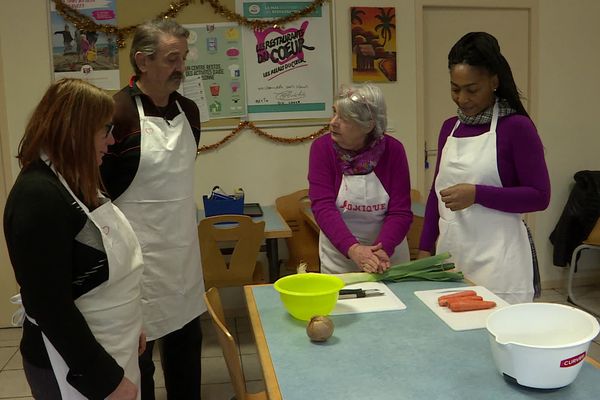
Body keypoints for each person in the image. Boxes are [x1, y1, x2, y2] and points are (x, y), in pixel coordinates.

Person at [3, 78, 144, 399]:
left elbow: (97, 268)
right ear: (75, 131)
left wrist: (132, 320)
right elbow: (49, 306)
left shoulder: (73, 180)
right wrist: (105, 379)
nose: (111, 142)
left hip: (112, 342)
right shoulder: (37, 196)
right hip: (71, 365)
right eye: (105, 130)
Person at [100, 19, 205, 400]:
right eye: (171, 58)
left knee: (186, 355)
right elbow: (99, 193)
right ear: (143, 62)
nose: (181, 67)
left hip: (181, 259)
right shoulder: (116, 112)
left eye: (183, 57)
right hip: (135, 262)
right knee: (137, 362)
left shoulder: (190, 112)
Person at [418, 32, 550, 304]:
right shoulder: (449, 128)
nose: (462, 98)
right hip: (451, 256)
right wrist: (424, 248)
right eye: (455, 88)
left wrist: (478, 194)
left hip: (499, 265)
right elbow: (435, 194)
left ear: (494, 82)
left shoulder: (516, 128)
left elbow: (539, 196)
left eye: (472, 89)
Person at [308, 83, 412, 274]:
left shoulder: (393, 151)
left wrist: (382, 250)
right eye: (334, 113)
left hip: (386, 258)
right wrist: (354, 249)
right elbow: (323, 207)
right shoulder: (322, 149)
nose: (333, 122)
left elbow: (401, 212)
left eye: (344, 118)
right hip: (340, 257)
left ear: (369, 125)